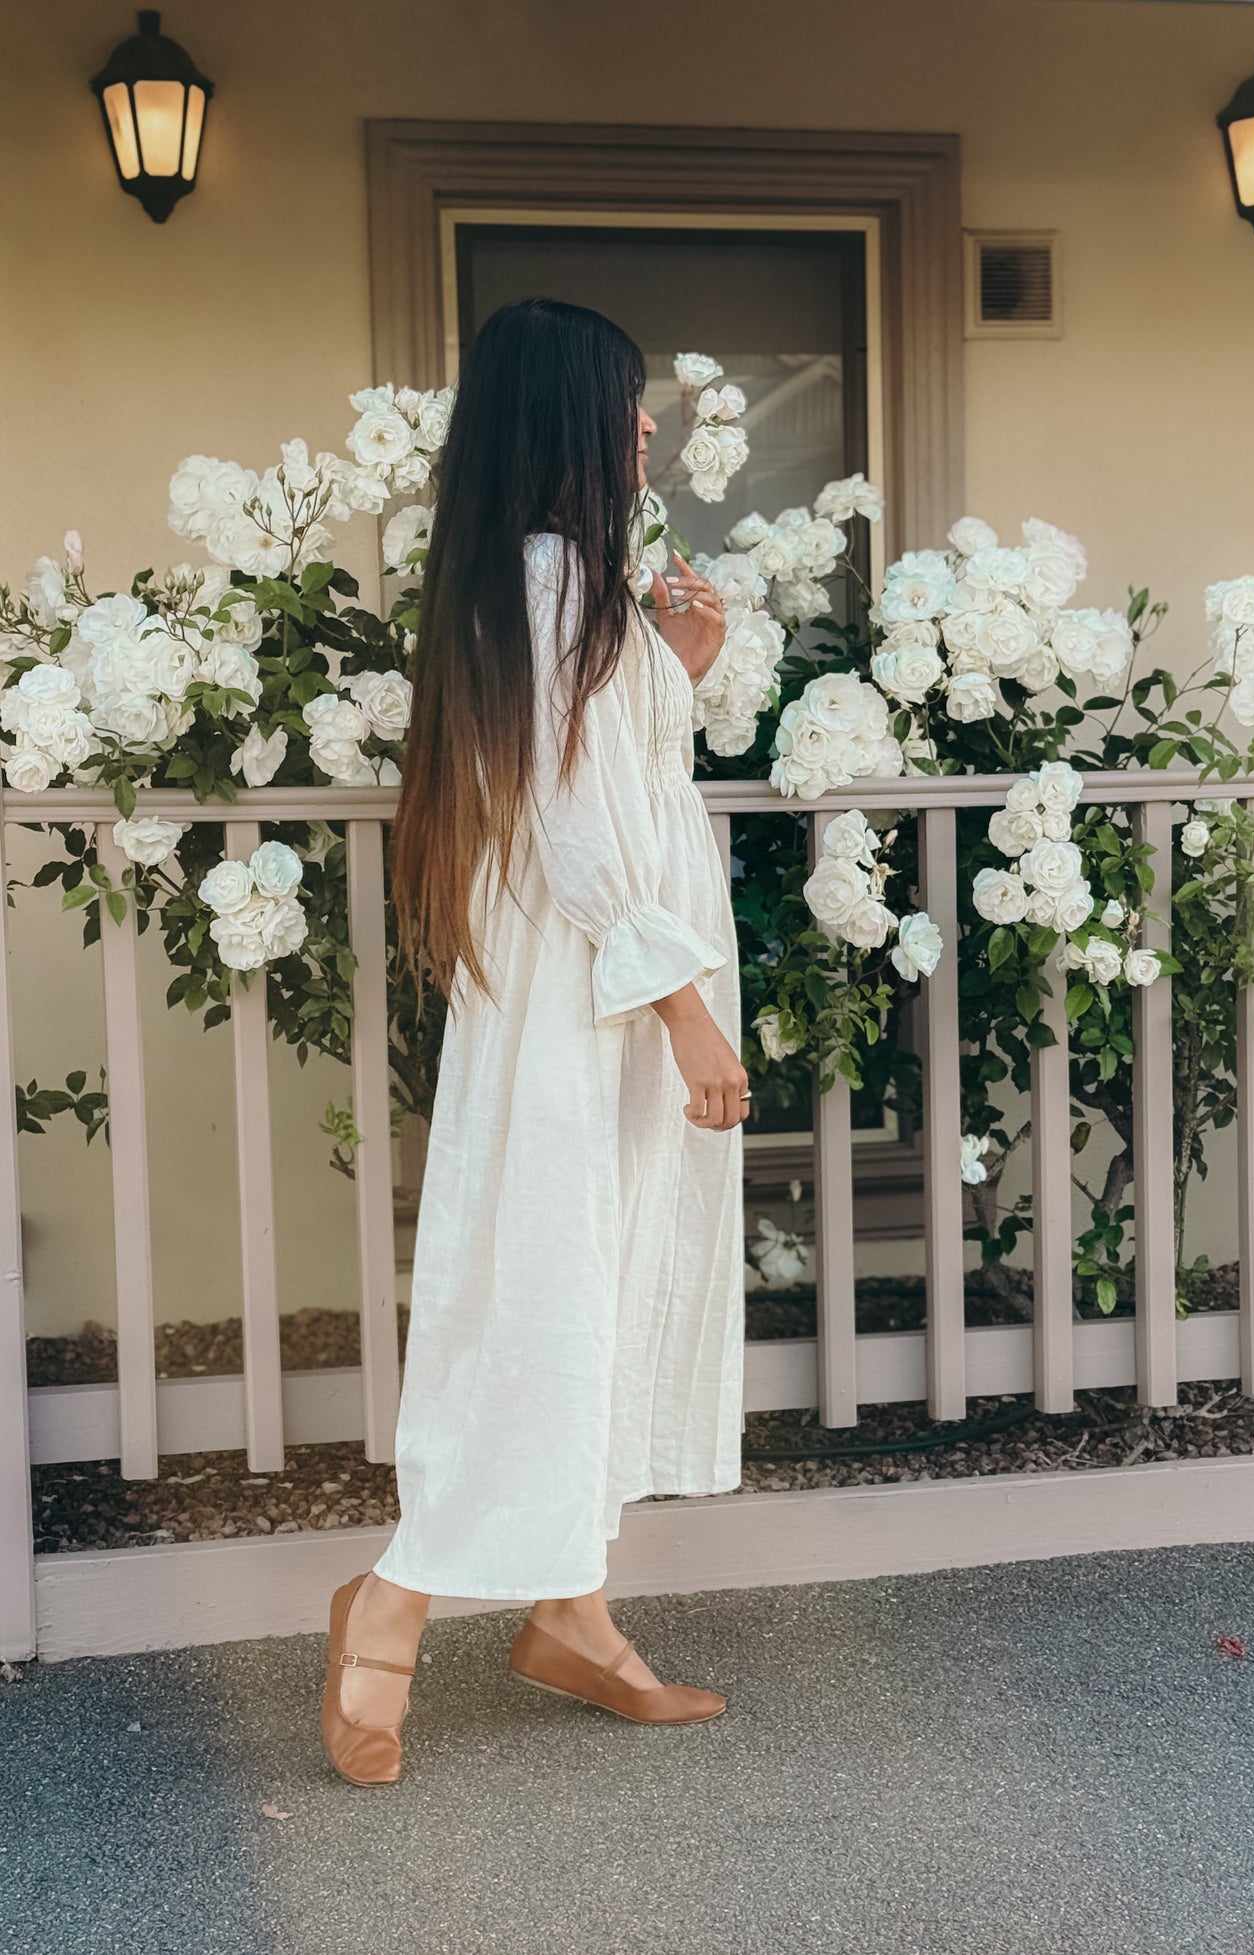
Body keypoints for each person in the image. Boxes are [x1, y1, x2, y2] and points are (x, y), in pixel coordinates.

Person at [319, 298, 750, 1786]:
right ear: (565, 416)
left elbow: (610, 778)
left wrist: (674, 666)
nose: (644, 431)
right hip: (596, 993)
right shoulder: (549, 576)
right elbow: (566, 826)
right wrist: (681, 1007)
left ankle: (572, 1613)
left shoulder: (569, 581)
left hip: (604, 983)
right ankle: (389, 1603)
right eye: (624, 407)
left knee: (594, 1278)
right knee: (543, 1285)